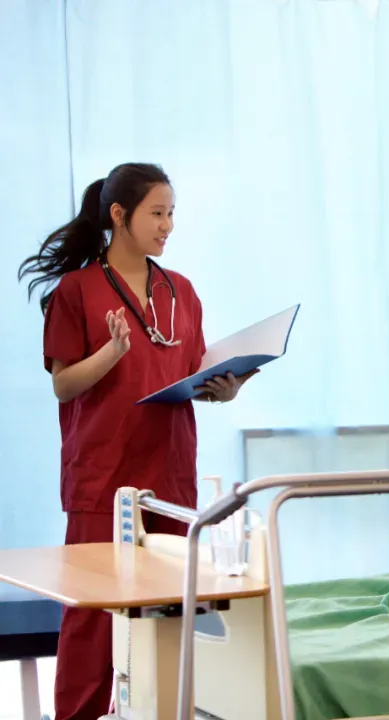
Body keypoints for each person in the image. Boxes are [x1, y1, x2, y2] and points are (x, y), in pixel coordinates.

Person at [17, 163, 254, 720]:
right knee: (93, 620)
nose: (168, 225)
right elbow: (63, 384)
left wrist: (223, 390)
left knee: (169, 616)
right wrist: (111, 353)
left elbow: (186, 374)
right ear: (119, 215)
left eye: (172, 214)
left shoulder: (181, 291)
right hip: (102, 478)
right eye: (157, 213)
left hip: (169, 475)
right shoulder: (76, 291)